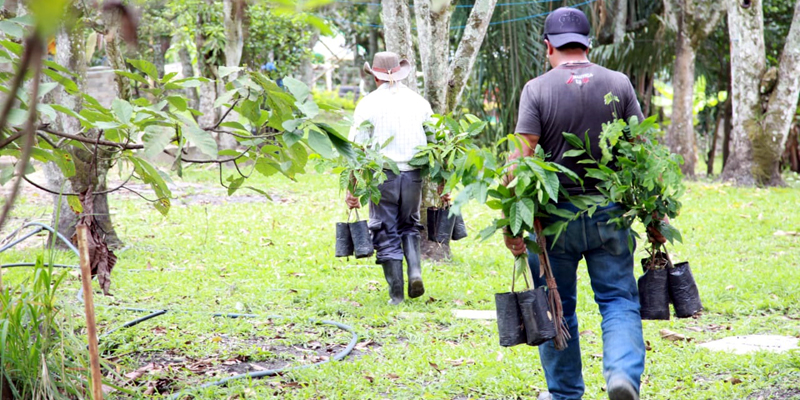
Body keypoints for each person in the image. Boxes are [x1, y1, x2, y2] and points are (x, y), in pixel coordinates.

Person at [503, 7, 653, 400]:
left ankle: (565, 394)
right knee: (618, 300)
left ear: (548, 46)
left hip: (553, 221)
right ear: (588, 44)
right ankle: (621, 375)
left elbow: (519, 163)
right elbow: (642, 155)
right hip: (609, 215)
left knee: (556, 307)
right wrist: (654, 216)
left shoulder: (537, 89)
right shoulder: (618, 83)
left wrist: (512, 226)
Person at [346, 51, 439, 305]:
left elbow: (356, 149)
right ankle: (415, 272)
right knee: (409, 224)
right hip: (413, 175)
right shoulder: (419, 102)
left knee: (385, 229)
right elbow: (436, 142)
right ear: (398, 73)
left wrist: (351, 189)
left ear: (375, 76)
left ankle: (396, 295)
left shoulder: (367, 104)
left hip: (382, 175)